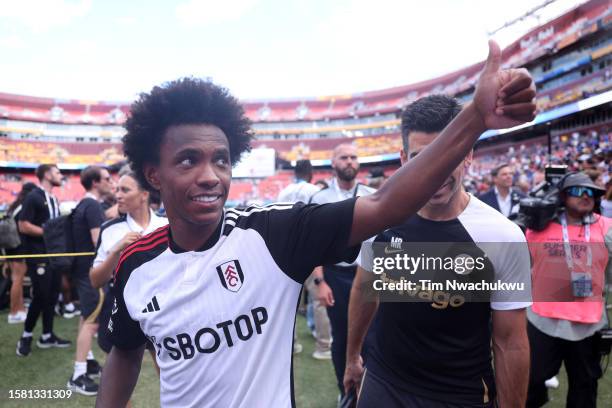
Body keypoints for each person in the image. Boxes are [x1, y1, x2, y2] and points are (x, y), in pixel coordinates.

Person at [96, 41, 537, 408]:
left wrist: (475, 120)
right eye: (189, 160)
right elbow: (125, 354)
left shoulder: (272, 235)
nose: (211, 175)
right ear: (154, 174)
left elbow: (383, 204)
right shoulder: (134, 263)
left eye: (222, 160)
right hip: (387, 385)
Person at [343, 95, 532, 408]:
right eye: (421, 157)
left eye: (448, 155)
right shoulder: (378, 218)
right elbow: (365, 290)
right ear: (404, 158)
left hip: (459, 394)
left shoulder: (502, 236)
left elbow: (510, 342)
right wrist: (352, 356)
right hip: (384, 382)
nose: (435, 171)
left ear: (468, 154)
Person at [526, 172, 611, 408]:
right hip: (542, 319)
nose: (585, 196)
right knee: (530, 382)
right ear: (562, 196)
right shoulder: (538, 226)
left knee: (585, 386)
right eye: (577, 191)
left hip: (588, 322)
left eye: (591, 192)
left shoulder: (606, 227)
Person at [308, 143, 376, 386]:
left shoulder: (372, 195)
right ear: (333, 163)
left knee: (371, 336)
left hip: (369, 274)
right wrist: (320, 280)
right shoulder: (319, 198)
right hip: (335, 276)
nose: (349, 161)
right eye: (344, 157)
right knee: (341, 335)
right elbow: (314, 245)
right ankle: (345, 388)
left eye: (354, 157)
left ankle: (368, 389)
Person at [67, 166, 114, 395]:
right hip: (90, 272)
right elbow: (99, 244)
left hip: (80, 270)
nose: (110, 181)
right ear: (95, 182)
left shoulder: (83, 204)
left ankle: (87, 360)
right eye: (106, 178)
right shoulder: (93, 206)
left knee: (87, 316)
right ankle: (78, 375)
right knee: (92, 322)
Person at [16, 164, 71, 357]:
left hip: (53, 255)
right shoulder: (34, 197)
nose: (60, 176)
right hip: (38, 254)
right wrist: (49, 235)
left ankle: (47, 335)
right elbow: (23, 225)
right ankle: (26, 336)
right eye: (57, 172)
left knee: (53, 294)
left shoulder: (54, 198)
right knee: (40, 295)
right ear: (47, 175)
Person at [276, 159, 321, 355]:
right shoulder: (314, 191)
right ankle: (323, 345)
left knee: (288, 301)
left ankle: (291, 344)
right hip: (310, 248)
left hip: (286, 249)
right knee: (317, 298)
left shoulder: (284, 191)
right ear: (310, 173)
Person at [5, 182, 37, 323]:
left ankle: (19, 309)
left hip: (10, 246)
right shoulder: (24, 207)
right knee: (18, 279)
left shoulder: (15, 205)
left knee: (15, 279)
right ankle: (14, 312)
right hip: (19, 246)